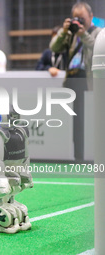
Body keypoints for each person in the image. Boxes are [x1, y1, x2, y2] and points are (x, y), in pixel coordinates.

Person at [50, 2, 101, 160]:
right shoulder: (70, 34)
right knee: (72, 121)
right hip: (71, 80)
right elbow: (54, 47)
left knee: (87, 121)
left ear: (91, 17)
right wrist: (63, 32)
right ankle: (77, 156)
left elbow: (95, 47)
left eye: (82, 18)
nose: (79, 21)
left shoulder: (99, 32)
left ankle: (91, 156)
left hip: (88, 81)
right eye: (76, 18)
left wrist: (82, 34)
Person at [0, 106, 33, 233]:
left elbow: (24, 155)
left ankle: (9, 216)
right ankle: (15, 214)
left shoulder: (2, 133)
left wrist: (0, 176)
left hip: (12, 173)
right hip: (12, 173)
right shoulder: (14, 132)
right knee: (0, 194)